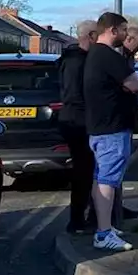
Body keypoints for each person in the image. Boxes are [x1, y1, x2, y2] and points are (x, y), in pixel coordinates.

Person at [83, 12, 138, 252]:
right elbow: (136, 84)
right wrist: (132, 85)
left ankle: (106, 226)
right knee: (107, 181)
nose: (125, 34)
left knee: (102, 178)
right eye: (123, 30)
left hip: (102, 126)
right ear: (112, 30)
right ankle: (102, 233)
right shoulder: (108, 55)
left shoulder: (96, 54)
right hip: (111, 128)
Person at [58, 20, 97, 234]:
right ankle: (76, 221)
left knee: (87, 170)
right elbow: (74, 95)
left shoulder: (77, 58)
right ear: (90, 36)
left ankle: (88, 215)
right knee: (83, 171)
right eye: (97, 36)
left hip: (77, 119)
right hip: (77, 121)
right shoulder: (76, 62)